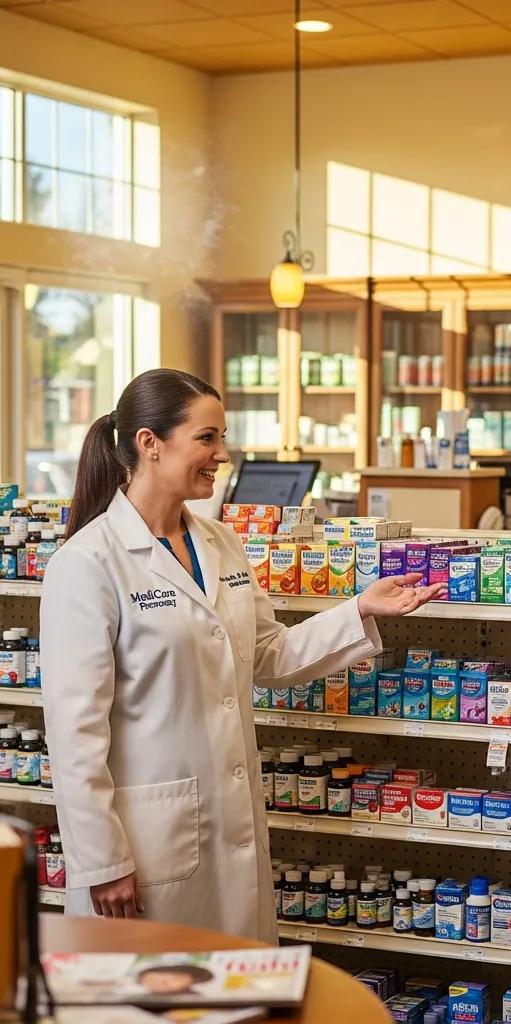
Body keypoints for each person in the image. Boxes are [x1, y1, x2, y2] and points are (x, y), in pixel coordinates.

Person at [41, 369, 443, 943]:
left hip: (229, 827)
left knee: (236, 993)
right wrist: (102, 861)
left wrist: (361, 610)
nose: (222, 454)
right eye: (206, 438)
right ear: (149, 443)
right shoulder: (87, 564)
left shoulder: (220, 542)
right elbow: (73, 734)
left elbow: (266, 654)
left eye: (221, 438)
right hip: (146, 845)